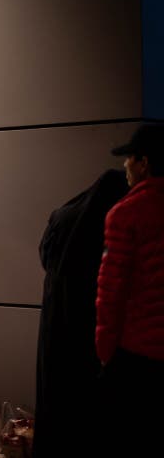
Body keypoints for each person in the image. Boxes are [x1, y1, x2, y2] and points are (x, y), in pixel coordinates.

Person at [33, 169, 128, 458]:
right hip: (93, 321)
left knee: (55, 395)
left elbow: (44, 257)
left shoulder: (63, 215)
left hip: (56, 317)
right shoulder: (115, 222)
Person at [95, 124, 164, 455]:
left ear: (144, 163)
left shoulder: (126, 214)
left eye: (129, 159)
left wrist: (105, 352)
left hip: (138, 354)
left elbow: (111, 293)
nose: (124, 166)